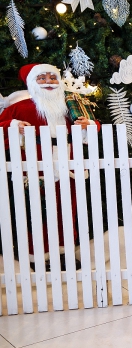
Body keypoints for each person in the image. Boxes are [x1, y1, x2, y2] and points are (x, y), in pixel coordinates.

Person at [0, 64, 97, 267]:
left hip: (67, 168)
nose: (48, 82)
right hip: (34, 171)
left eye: (52, 78)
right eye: (41, 78)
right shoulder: (20, 107)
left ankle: (64, 251)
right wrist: (13, 125)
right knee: (37, 212)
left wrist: (90, 126)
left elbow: (93, 124)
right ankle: (36, 254)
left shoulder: (70, 106)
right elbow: (2, 125)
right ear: (32, 84)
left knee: (66, 212)